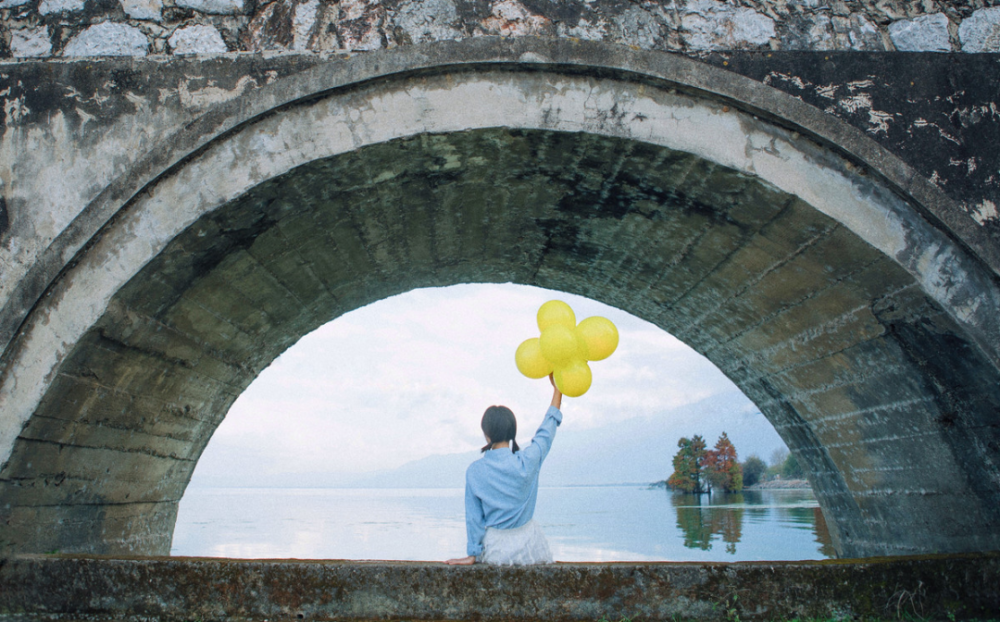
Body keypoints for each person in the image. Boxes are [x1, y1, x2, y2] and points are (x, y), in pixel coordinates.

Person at [445, 374, 563, 565]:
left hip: (496, 549)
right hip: (530, 547)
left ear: (486, 434)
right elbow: (547, 431)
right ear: (512, 432)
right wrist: (558, 391)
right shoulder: (528, 461)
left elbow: (474, 518)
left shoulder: (475, 471)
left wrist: (473, 554)